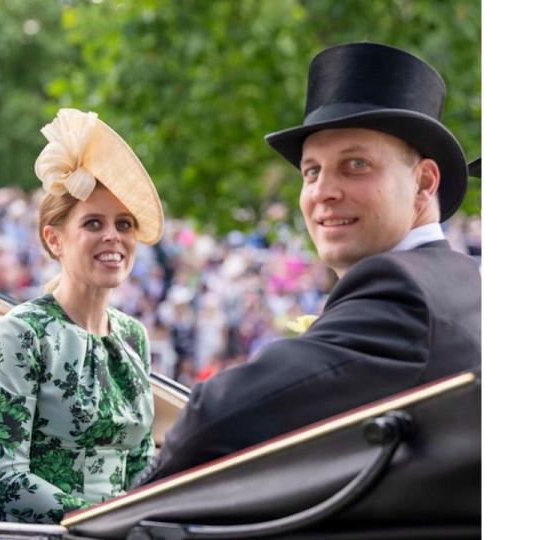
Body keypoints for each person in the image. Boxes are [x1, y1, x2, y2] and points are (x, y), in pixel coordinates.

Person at [134, 42, 481, 485]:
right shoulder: (464, 280)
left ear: (424, 182)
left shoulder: (403, 290)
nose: (322, 192)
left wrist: (110, 511)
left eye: (355, 165)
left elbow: (213, 417)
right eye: (311, 171)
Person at [0, 109, 163, 523]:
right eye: (93, 223)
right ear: (54, 239)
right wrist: (106, 520)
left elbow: (140, 466)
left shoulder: (133, 336)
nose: (113, 236)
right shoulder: (22, 332)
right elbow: (4, 478)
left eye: (124, 224)